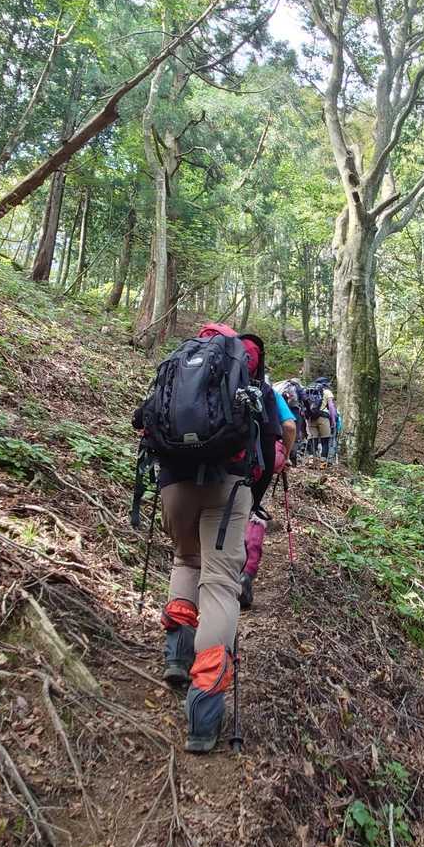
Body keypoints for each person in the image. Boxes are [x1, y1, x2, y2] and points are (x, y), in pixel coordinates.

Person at [131, 323, 283, 753]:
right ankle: (204, 708)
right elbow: (269, 449)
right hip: (228, 487)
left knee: (185, 560)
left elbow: (144, 422)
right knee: (218, 584)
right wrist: (253, 497)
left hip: (174, 484)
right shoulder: (248, 378)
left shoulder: (177, 367)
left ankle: (176, 656)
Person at [239, 366, 296, 610]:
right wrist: (286, 454)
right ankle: (246, 573)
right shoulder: (268, 391)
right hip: (258, 462)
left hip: (220, 461)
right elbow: (289, 426)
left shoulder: (218, 384)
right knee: (253, 512)